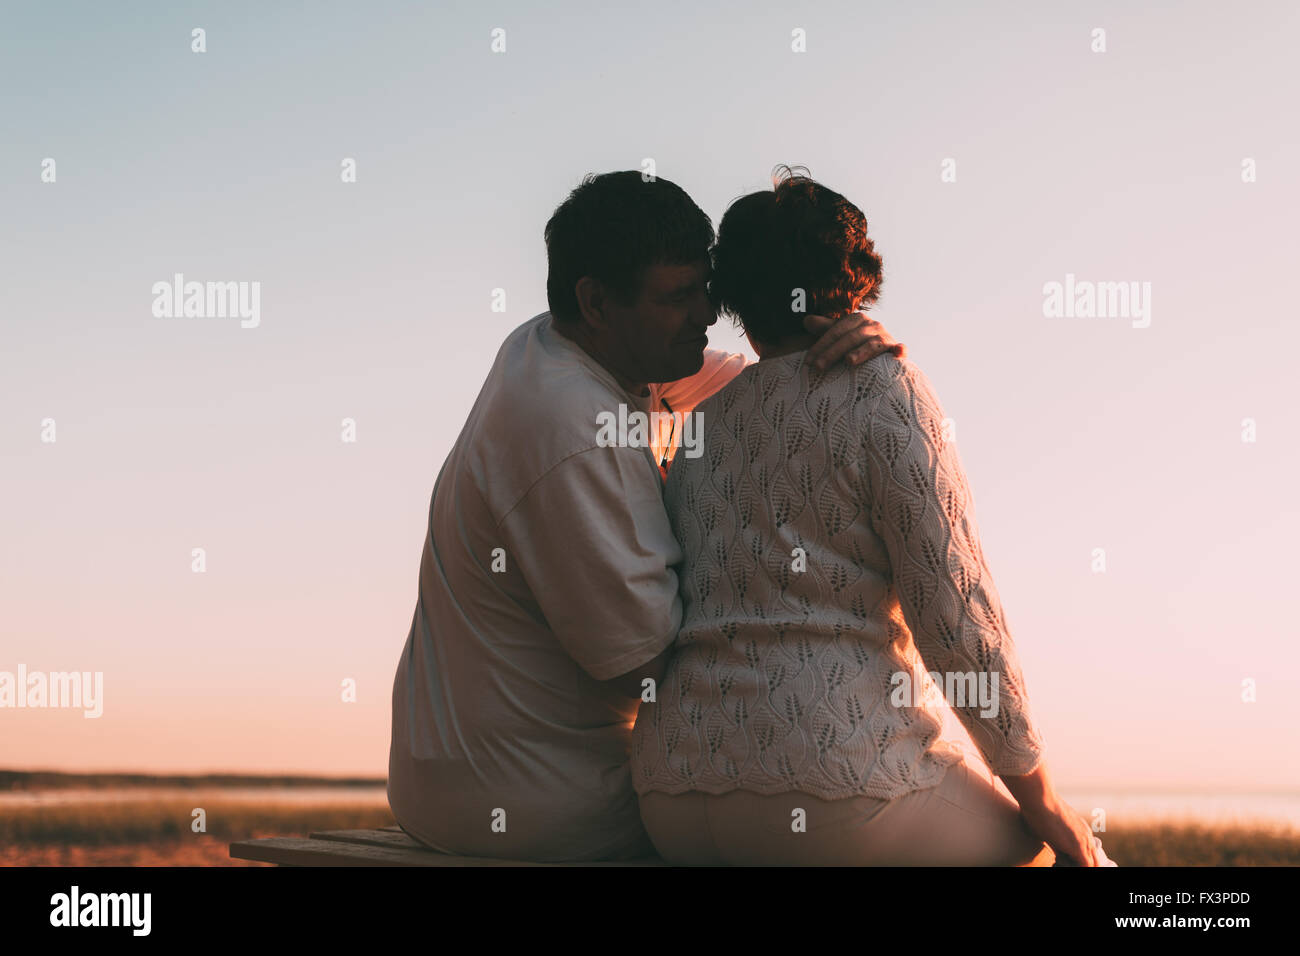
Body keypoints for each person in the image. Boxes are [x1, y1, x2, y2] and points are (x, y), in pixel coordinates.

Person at [386, 170, 904, 862]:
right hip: (536, 798)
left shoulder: (563, 346)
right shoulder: (571, 428)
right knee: (835, 805)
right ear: (597, 301)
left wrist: (846, 338)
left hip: (456, 776)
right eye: (677, 297)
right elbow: (643, 665)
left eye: (705, 290)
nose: (706, 315)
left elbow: (765, 379)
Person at [631, 167, 1107, 866]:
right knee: (1044, 858)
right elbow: (958, 620)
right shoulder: (886, 390)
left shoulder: (701, 424)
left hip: (671, 796)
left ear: (731, 295)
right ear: (856, 283)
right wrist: (1045, 805)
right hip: (833, 792)